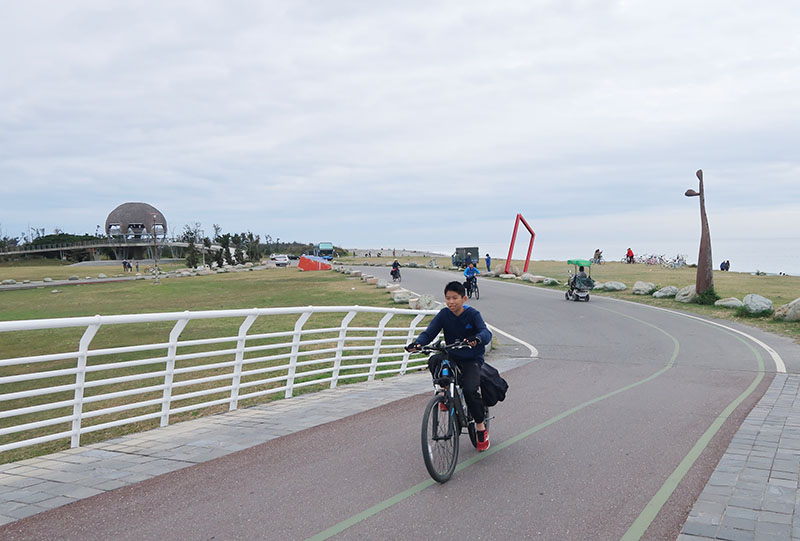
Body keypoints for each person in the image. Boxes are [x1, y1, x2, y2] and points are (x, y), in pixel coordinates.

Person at [406, 281, 493, 451]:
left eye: (455, 298)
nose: (451, 302)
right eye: (448, 298)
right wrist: (418, 344)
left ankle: (481, 428)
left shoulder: (473, 314)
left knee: (470, 390)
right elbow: (430, 332)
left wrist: (477, 339)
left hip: (471, 358)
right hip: (452, 354)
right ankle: (446, 393)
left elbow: (485, 332)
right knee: (434, 360)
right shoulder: (444, 314)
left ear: (464, 298)